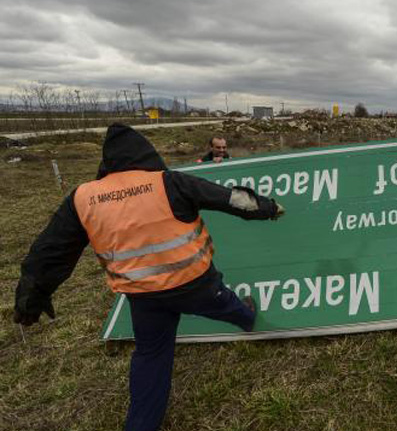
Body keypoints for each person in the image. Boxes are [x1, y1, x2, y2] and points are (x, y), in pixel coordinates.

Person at [13, 123, 285, 431]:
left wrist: (30, 298)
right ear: (145, 153)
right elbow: (231, 199)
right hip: (195, 283)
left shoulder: (83, 198)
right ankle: (247, 318)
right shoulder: (169, 182)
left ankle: (140, 425)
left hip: (143, 296)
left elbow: (49, 251)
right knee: (229, 306)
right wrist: (269, 207)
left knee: (151, 355)